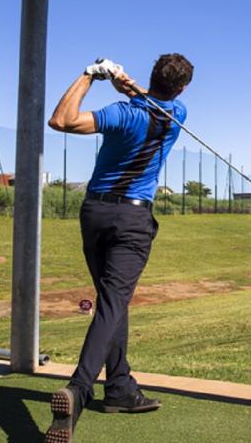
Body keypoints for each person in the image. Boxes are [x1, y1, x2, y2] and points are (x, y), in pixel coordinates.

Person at [44, 53, 193, 443]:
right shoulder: (177, 114)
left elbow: (61, 120)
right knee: (113, 302)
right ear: (182, 88)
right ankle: (79, 389)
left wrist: (89, 75)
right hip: (133, 220)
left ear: (152, 76)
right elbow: (151, 99)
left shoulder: (119, 114)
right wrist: (127, 85)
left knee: (113, 301)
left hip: (95, 214)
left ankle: (120, 387)